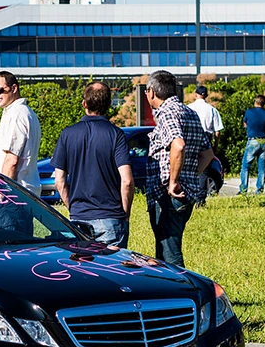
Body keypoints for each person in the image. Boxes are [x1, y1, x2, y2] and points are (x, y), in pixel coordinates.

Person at [144, 70, 214, 268]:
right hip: (186, 193)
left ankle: (185, 293)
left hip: (169, 195)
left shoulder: (167, 113)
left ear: (151, 92)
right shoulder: (189, 113)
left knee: (170, 253)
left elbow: (178, 144)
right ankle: (165, 293)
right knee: (166, 250)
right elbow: (207, 154)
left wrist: (173, 181)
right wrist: (190, 175)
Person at [51, 82, 134, 247]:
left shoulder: (67, 134)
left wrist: (73, 208)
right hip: (111, 218)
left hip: (79, 219)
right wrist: (125, 214)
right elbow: (127, 181)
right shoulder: (116, 135)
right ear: (109, 104)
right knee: (112, 271)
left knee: (83, 272)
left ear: (84, 103)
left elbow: (59, 181)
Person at [0, 71, 41, 234]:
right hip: (19, 194)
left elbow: (12, 159)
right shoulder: (23, 112)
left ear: (14, 88)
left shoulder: (17, 114)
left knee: (7, 252)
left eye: (0, 90)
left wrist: (2, 192)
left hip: (11, 195)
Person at [187, 85, 224, 199]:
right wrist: (215, 147)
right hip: (206, 137)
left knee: (189, 168)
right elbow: (217, 131)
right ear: (206, 96)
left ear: (195, 95)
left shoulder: (188, 108)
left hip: (191, 138)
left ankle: (189, 196)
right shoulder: (212, 109)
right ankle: (200, 199)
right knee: (204, 170)